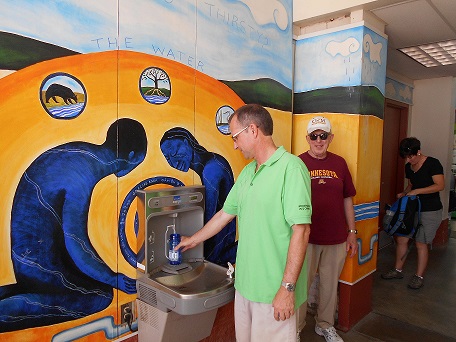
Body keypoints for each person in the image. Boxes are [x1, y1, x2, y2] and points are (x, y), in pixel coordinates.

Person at [175, 104, 312, 342]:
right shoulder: (249, 172)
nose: (235, 145)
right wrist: (192, 240)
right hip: (245, 287)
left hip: (274, 292)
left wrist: (287, 289)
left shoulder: (292, 169)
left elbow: (301, 231)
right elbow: (223, 215)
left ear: (253, 130)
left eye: (236, 137)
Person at [0, 118, 146, 332]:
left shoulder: (80, 153)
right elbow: (75, 242)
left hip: (30, 255)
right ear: (132, 156)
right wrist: (113, 278)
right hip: (39, 259)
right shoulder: (83, 172)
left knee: (76, 286)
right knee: (99, 296)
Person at [297, 116, 358, 342]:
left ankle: (324, 325)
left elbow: (347, 199)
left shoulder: (340, 163)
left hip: (336, 238)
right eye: (314, 136)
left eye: (323, 136)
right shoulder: (297, 163)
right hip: (306, 238)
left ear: (330, 138)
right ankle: (296, 328)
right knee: (301, 285)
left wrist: (352, 232)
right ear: (308, 138)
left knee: (330, 286)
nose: (319, 140)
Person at [160, 127, 237, 265]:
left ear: (187, 141)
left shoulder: (211, 169)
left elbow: (210, 217)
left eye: (174, 152)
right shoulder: (211, 162)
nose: (173, 161)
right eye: (167, 157)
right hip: (218, 244)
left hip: (215, 249)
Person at [381, 137, 444, 289]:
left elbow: (439, 185)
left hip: (430, 209)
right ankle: (397, 270)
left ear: (419, 152)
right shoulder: (409, 167)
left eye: (411, 156)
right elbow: (411, 184)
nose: (409, 160)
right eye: (406, 158)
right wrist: (404, 193)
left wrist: (417, 191)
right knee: (402, 238)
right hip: (412, 208)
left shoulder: (433, 164)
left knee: (420, 243)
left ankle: (419, 276)